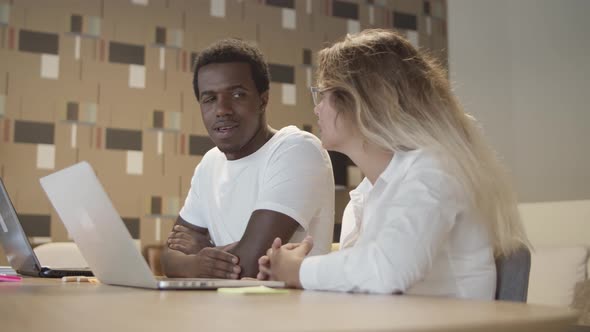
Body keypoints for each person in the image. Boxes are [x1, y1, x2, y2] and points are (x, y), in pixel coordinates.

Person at [257, 29, 530, 299]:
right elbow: (368, 282)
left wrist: (300, 270)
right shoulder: (370, 191)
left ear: (361, 100)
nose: (316, 108)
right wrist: (288, 273)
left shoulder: (435, 168)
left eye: (323, 94)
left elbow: (387, 271)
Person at [161, 38, 335, 279]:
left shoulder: (296, 149)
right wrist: (195, 264)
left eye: (237, 94)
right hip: (225, 311)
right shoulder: (210, 163)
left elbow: (250, 266)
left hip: (289, 312)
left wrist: (201, 252)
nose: (222, 109)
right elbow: (168, 258)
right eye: (209, 98)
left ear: (263, 100)